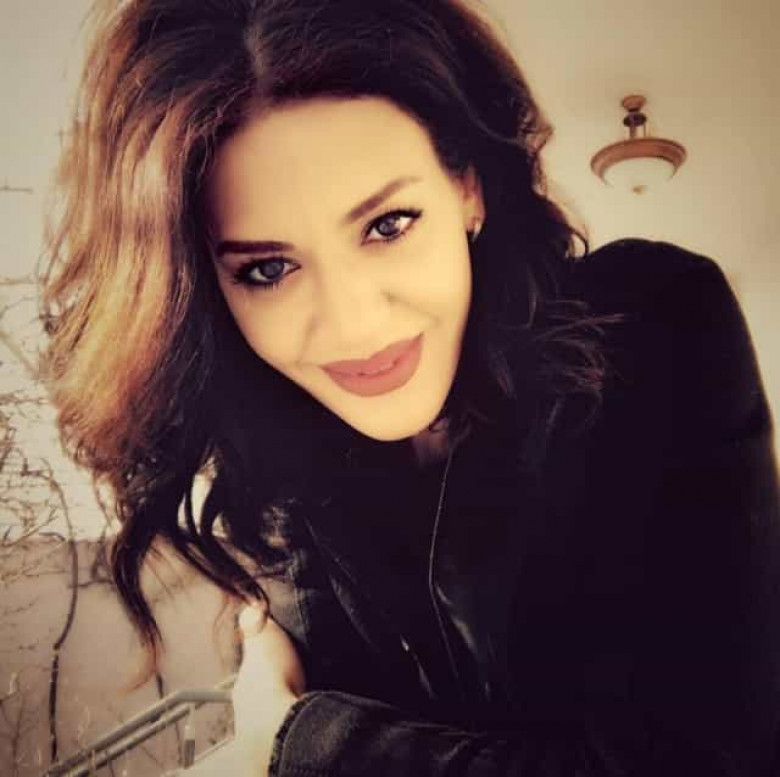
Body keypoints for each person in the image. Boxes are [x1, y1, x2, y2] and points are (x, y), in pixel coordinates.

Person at [40, 0, 780, 775]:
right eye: (268, 268)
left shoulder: (653, 322)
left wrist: (299, 736)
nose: (354, 324)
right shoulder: (282, 462)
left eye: (389, 224)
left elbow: (712, 758)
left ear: (467, 186)